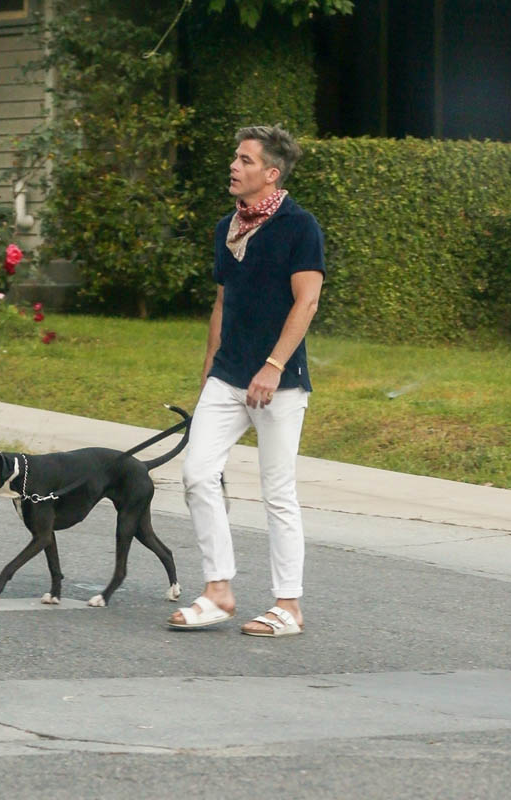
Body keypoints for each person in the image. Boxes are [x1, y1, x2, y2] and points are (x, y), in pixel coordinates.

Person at [168, 125, 325, 637]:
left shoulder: (300, 227)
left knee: (277, 492)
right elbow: (221, 303)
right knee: (196, 473)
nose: (234, 167)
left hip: (280, 380)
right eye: (235, 158)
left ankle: (289, 606)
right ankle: (219, 590)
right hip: (228, 376)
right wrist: (209, 373)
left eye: (245, 160)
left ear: (271, 173)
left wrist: (274, 365)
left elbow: (307, 301)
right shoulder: (226, 228)